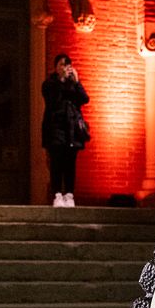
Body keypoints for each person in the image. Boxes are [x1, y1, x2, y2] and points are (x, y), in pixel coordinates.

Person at [40, 53, 89, 206]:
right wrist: (61, 80)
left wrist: (77, 82)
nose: (65, 68)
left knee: (70, 163)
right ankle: (57, 194)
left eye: (67, 65)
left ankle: (69, 194)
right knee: (56, 162)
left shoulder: (72, 84)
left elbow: (84, 99)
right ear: (55, 67)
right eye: (61, 64)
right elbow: (52, 100)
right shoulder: (49, 83)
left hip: (72, 130)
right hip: (55, 128)